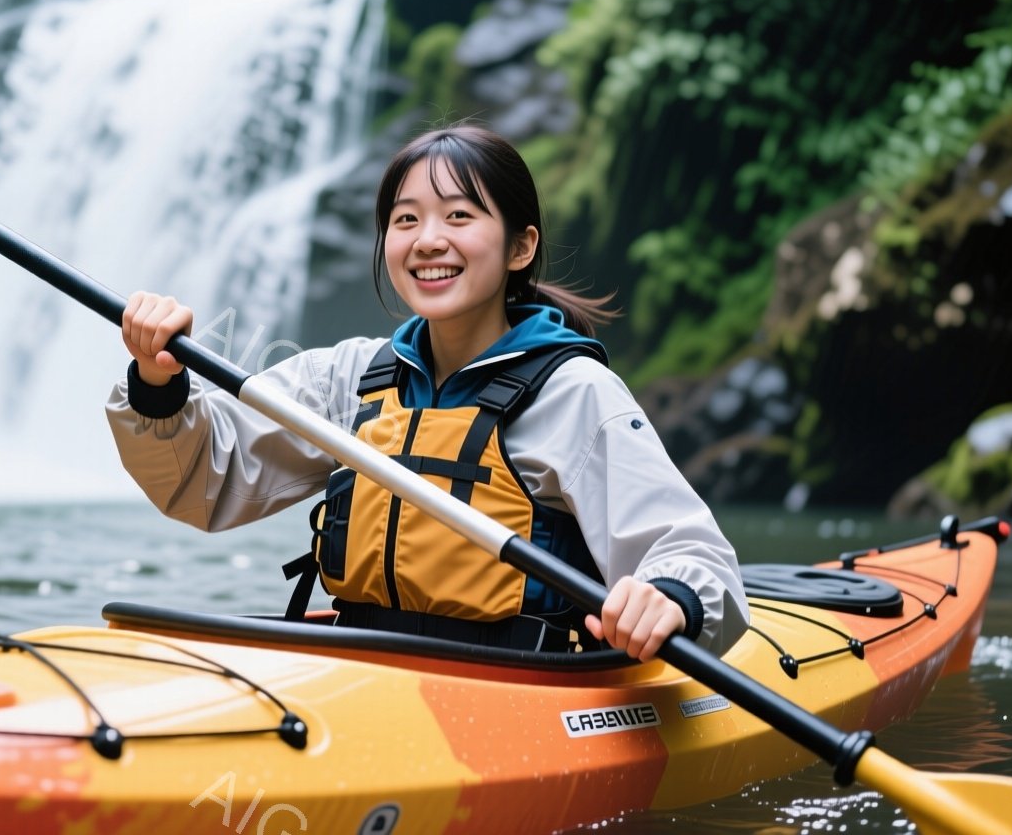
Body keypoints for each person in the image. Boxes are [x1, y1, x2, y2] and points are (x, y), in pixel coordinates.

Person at [105, 125, 748, 659]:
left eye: (460, 217)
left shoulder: (574, 394)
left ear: (521, 247)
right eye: (405, 219)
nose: (428, 239)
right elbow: (201, 479)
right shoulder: (348, 378)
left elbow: (696, 557)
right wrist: (158, 383)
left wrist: (669, 597)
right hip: (363, 676)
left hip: (516, 685)